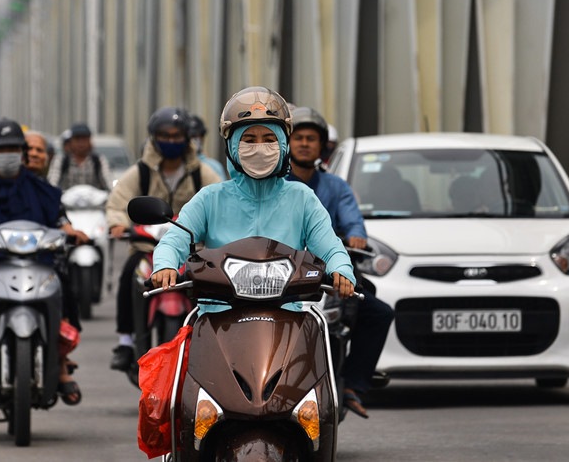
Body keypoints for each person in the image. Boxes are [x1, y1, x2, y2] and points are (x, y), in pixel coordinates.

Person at [150, 89, 355, 306]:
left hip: (288, 315)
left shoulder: (302, 198)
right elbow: (175, 240)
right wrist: (165, 265)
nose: (259, 148)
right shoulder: (210, 198)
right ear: (232, 146)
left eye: (269, 139)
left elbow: (329, 247)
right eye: (249, 139)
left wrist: (340, 269)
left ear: (283, 145)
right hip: (218, 314)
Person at [0, 118, 89, 405]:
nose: (7, 154)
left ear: (22, 152)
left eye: (13, 148)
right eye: (0, 149)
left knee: (63, 296)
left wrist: (72, 232)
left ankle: (61, 366)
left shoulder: (42, 190)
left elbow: (60, 219)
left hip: (41, 264)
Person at [286, 105, 394, 419]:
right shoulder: (275, 185)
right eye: (298, 138)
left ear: (322, 146)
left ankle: (353, 385)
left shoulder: (336, 186)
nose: (304, 144)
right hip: (282, 274)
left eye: (311, 139)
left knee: (378, 313)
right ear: (286, 144)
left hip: (329, 273)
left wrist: (356, 236)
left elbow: (353, 221)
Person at [105, 106, 222, 371]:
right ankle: (125, 341)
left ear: (187, 138)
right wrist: (118, 223)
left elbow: (221, 201)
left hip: (192, 251)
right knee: (128, 274)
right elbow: (118, 202)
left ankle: (212, 336)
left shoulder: (202, 172)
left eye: (177, 135)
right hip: (146, 246)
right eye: (165, 135)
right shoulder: (141, 171)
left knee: (211, 284)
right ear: (154, 137)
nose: (171, 141)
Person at [47, 122, 112, 191]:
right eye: (77, 139)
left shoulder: (99, 160)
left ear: (89, 140)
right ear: (71, 141)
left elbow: (109, 182)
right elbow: (52, 182)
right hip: (67, 197)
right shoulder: (61, 160)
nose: (81, 143)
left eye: (84, 139)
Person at [188, 113, 227, 179]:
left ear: (203, 138)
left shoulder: (214, 167)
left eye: (196, 136)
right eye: (191, 136)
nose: (193, 140)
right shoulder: (177, 165)